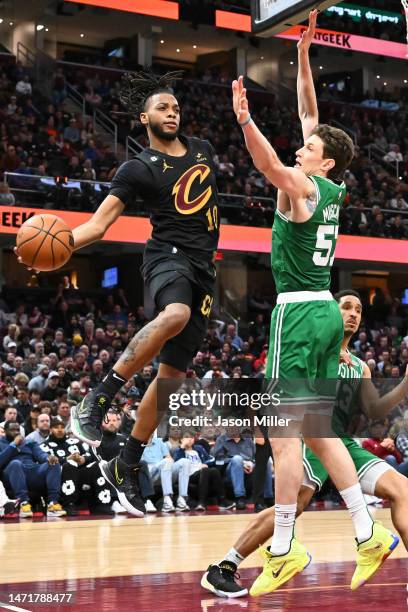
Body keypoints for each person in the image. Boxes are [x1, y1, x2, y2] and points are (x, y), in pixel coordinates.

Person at [222, 10, 393, 595]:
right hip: (323, 309)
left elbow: (268, 163)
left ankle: (285, 544)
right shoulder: (334, 184)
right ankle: (367, 530)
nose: (302, 148)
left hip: (297, 312)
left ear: (324, 163)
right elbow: (309, 112)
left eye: (310, 148)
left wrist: (244, 120)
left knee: (285, 433)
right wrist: (303, 54)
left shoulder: (300, 186)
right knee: (318, 430)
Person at [21, 69, 223, 516]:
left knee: (170, 380)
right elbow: (99, 223)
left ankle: (126, 462)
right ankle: (99, 396)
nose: (172, 113)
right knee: (175, 314)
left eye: (175, 107)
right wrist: (61, 246)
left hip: (205, 269)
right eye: (162, 108)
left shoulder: (204, 151)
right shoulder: (138, 167)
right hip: (166, 256)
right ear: (143, 117)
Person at [202, 290, 406, 598]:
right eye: (346, 307)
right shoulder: (311, 347)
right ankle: (224, 567)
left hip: (344, 444)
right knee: (291, 507)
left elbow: (374, 410)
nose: (353, 313)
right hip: (311, 439)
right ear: (330, 314)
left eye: (358, 310)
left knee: (402, 490)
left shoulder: (360, 366)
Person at [0, 421, 66, 518]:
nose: (16, 432)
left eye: (18, 430)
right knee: (16, 464)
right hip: (11, 475)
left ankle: (52, 503)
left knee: (53, 463)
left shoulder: (29, 442)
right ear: (5, 431)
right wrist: (13, 445)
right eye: (12, 430)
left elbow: (40, 454)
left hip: (32, 471)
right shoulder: (1, 443)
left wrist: (48, 457)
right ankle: (24, 503)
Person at [173, 432, 235, 511]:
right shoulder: (178, 450)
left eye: (191, 438)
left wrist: (205, 464)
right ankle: (201, 502)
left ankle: (222, 501)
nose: (189, 439)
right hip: (189, 475)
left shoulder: (198, 448)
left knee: (214, 470)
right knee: (205, 471)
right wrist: (182, 447)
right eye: (186, 437)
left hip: (202, 472)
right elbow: (177, 463)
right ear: (181, 440)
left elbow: (211, 459)